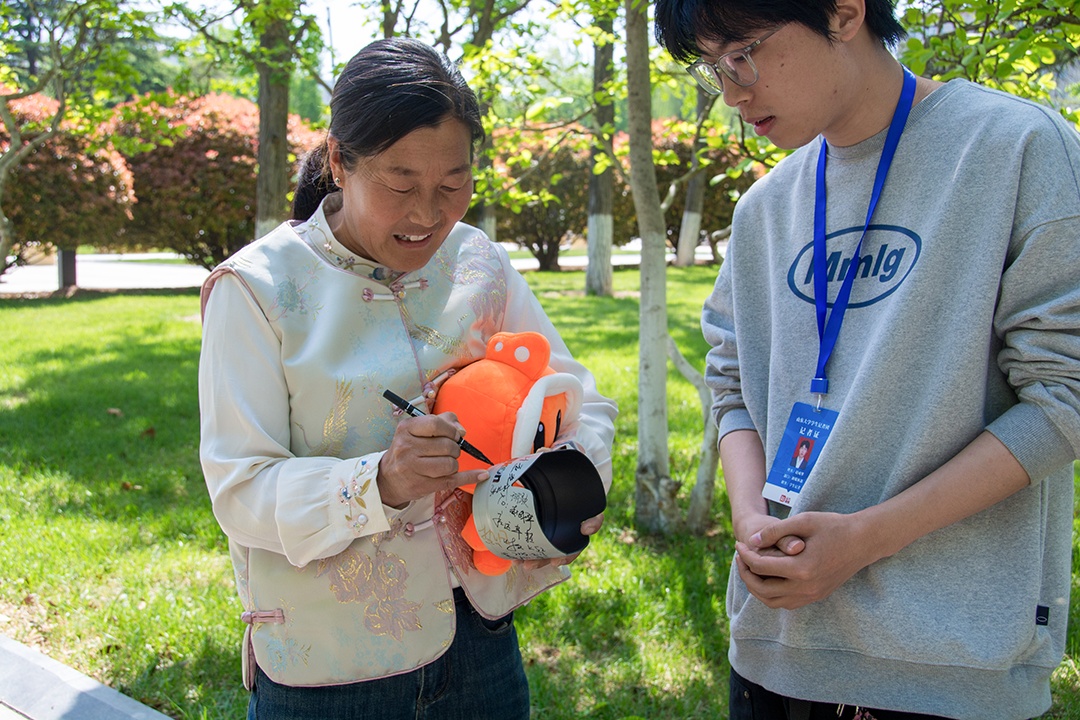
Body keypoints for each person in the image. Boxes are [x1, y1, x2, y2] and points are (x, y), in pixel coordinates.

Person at [653, 1, 1080, 718]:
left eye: (745, 53)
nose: (732, 93)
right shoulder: (766, 207)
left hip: (948, 667)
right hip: (774, 654)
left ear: (844, 13)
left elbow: (1064, 399)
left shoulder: (1017, 149)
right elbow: (729, 385)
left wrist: (864, 541)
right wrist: (752, 517)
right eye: (712, 68)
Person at [197, 37, 617, 719]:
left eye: (454, 183)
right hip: (329, 669)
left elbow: (575, 395)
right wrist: (378, 483)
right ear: (339, 161)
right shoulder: (258, 291)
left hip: (479, 643)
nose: (428, 213)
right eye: (400, 184)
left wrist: (578, 473)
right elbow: (241, 490)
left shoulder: (477, 261)